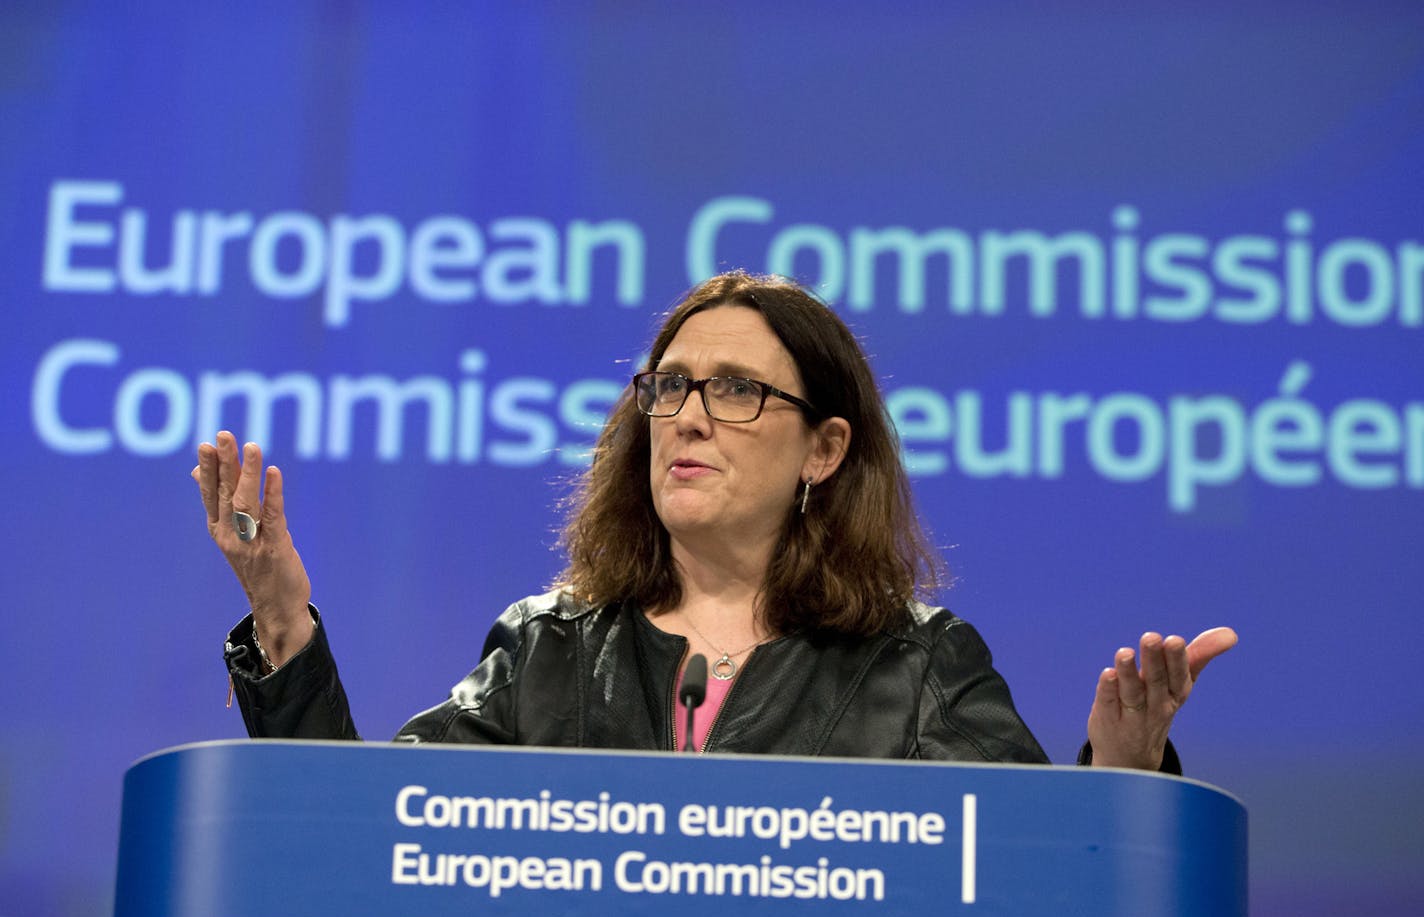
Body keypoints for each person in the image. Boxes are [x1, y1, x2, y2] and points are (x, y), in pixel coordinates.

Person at [194, 271, 1235, 769]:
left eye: (735, 390)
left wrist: (1124, 769)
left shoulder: (917, 667)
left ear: (822, 451)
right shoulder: (545, 650)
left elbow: (1029, 889)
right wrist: (283, 620)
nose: (687, 416)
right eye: (670, 386)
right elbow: (363, 845)